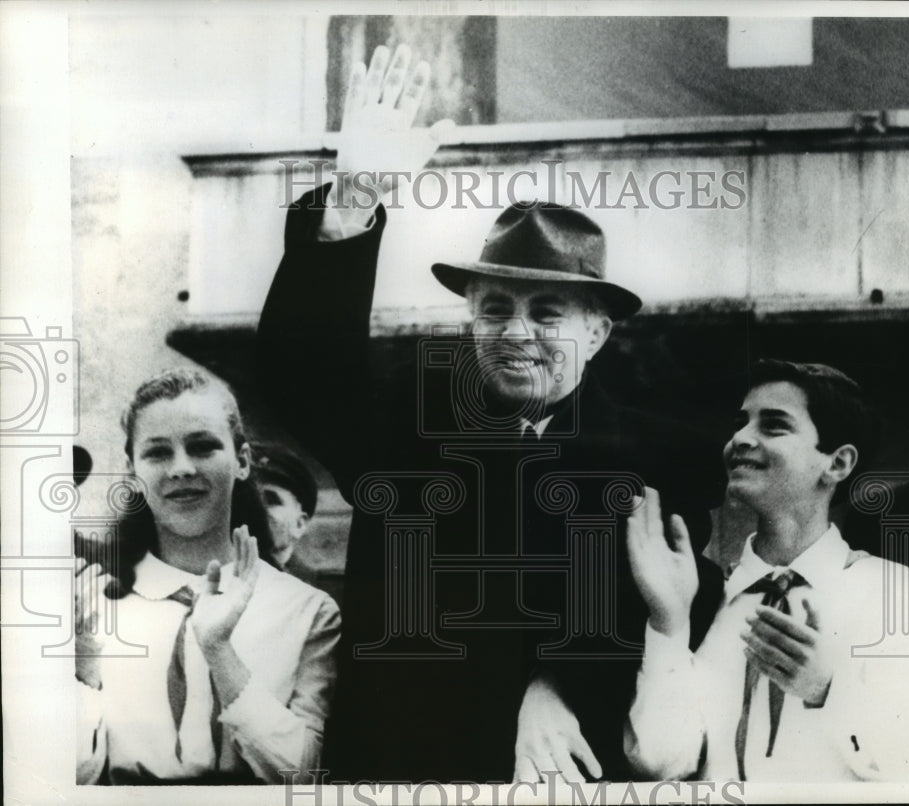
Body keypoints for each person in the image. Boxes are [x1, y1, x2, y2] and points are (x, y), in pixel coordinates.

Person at [257, 45, 725, 782]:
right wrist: (352, 198)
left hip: (572, 776)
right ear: (471, 317)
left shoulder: (657, 462)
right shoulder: (407, 429)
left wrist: (555, 683)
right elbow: (299, 375)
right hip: (408, 776)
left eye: (546, 312)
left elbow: (669, 612)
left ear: (597, 331)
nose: (515, 331)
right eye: (495, 308)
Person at [623, 360, 909, 781]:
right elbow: (661, 762)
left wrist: (827, 690)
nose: (739, 438)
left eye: (773, 426)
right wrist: (669, 625)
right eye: (740, 423)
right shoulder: (706, 595)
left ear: (838, 463)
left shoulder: (894, 594)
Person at [75, 368, 341, 784]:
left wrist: (220, 651)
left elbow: (310, 776)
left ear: (242, 461)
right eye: (158, 453)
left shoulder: (308, 610)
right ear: (132, 471)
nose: (181, 468)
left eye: (202, 447)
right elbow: (66, 781)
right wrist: (83, 674)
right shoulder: (93, 606)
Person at [251, 441, 319, 582]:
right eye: (248, 498)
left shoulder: (329, 592)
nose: (255, 509)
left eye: (271, 501)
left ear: (299, 524)